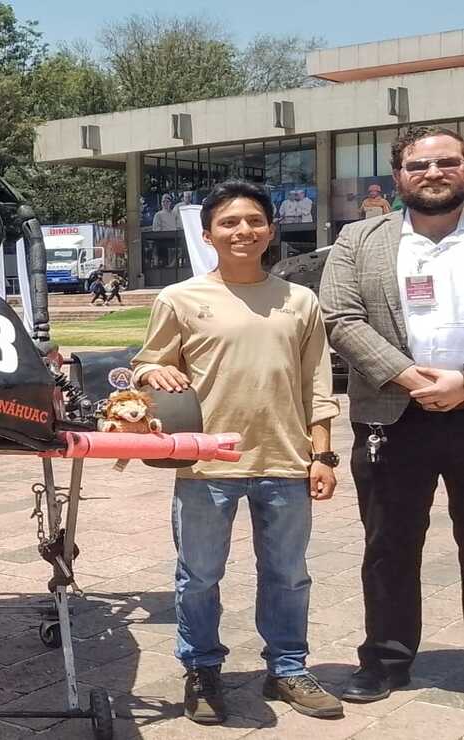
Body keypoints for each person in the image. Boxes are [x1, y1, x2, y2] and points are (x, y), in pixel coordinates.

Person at [133, 181, 343, 724]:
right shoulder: (179, 299)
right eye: (228, 223)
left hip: (286, 460)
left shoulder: (300, 301)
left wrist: (322, 456)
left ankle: (288, 668)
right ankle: (202, 669)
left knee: (288, 575)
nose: (242, 231)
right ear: (208, 235)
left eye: (254, 221)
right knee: (199, 577)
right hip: (206, 464)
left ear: (271, 230)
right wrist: (153, 371)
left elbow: (316, 385)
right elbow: (146, 364)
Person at [320, 125, 464, 703]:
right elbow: (340, 318)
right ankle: (385, 659)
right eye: (418, 165)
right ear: (399, 175)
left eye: (447, 161)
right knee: (388, 545)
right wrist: (408, 377)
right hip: (391, 415)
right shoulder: (359, 238)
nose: (434, 173)